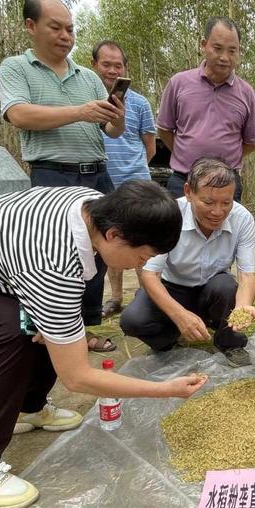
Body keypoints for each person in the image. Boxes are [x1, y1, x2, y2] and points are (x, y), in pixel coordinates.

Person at [0, 181, 207, 508]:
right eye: (141, 256)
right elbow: (77, 377)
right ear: (114, 235)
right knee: (16, 330)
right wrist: (165, 389)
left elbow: (58, 317)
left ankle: (30, 406)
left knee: (50, 325)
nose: (139, 266)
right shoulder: (53, 265)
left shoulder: (93, 206)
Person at [0, 0, 125, 353]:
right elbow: (19, 115)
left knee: (102, 252)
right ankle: (52, 331)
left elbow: (113, 131)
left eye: (70, 29)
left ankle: (86, 328)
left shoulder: (88, 77)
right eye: (56, 27)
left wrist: (117, 114)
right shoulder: (15, 68)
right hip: (53, 176)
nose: (66, 35)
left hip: (96, 174)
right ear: (30, 26)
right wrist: (80, 111)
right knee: (56, 257)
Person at [120, 157, 255, 368]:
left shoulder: (243, 218)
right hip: (172, 287)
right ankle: (169, 341)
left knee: (226, 286)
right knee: (133, 320)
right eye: (208, 202)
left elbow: (247, 275)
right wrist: (179, 315)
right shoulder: (169, 215)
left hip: (212, 288)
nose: (218, 211)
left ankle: (229, 342)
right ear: (188, 192)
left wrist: (243, 307)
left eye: (226, 202)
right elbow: (150, 276)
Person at [156, 16, 255, 201]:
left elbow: (251, 142)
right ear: (203, 45)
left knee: (226, 231)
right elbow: (164, 129)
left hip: (227, 184)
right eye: (217, 48)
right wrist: (183, 152)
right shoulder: (178, 84)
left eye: (232, 51)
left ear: (239, 52)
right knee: (178, 230)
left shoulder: (247, 93)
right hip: (183, 180)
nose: (224, 57)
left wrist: (224, 161)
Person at [91, 40, 157, 318]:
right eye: (106, 64)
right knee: (110, 240)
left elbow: (150, 145)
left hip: (136, 182)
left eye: (118, 65)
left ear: (125, 69)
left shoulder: (140, 103)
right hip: (103, 182)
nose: (112, 70)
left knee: (142, 240)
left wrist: (135, 169)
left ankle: (147, 293)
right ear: (94, 65)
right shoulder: (90, 101)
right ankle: (115, 297)